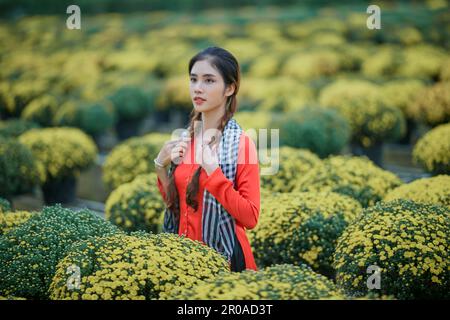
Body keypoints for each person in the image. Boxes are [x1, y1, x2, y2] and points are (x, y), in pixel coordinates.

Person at [154, 46, 260, 272]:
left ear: (229, 88)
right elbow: (177, 206)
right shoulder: (185, 139)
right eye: (193, 80)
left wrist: (214, 174)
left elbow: (250, 217)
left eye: (209, 81)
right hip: (183, 262)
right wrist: (160, 167)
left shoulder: (241, 144)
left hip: (225, 267)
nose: (198, 88)